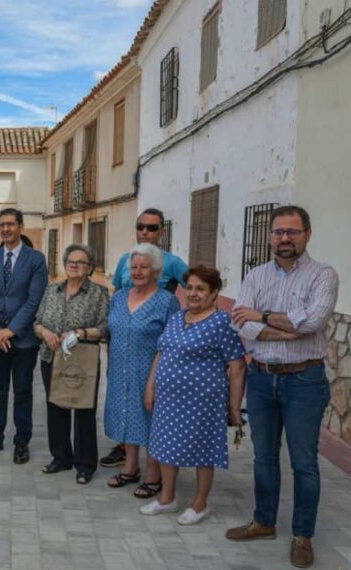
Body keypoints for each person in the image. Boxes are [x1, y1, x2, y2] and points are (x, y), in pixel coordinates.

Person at [226, 205, 338, 569]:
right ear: (270, 235)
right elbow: (241, 325)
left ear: (307, 234)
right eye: (278, 232)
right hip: (261, 377)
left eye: (292, 232)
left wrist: (261, 317)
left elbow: (316, 321)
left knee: (304, 462)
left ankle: (302, 535)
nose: (285, 238)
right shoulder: (255, 276)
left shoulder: (323, 275)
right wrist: (288, 325)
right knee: (263, 457)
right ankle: (264, 521)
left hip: (304, 379)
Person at [139, 266, 246, 525]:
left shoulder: (221, 322)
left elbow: (237, 365)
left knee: (204, 450)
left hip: (203, 402)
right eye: (190, 287)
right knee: (164, 445)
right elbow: (161, 352)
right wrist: (151, 385)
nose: (194, 293)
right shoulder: (178, 317)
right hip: (168, 399)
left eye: (201, 289)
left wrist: (234, 407)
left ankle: (200, 504)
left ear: (213, 294)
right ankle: (167, 498)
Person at [102, 207, 189, 469]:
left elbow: (196, 288)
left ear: (161, 232)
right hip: (124, 332)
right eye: (141, 227)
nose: (145, 232)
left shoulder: (172, 262)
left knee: (149, 401)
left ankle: (154, 467)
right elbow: (118, 289)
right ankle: (126, 453)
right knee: (124, 396)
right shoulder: (125, 259)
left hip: (151, 337)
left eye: (151, 228)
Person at [0, 208, 48, 464]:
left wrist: (12, 329)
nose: (5, 229)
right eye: (2, 225)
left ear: (21, 226)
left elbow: (34, 299)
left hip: (24, 339)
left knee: (23, 391)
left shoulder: (36, 259)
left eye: (10, 224)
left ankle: (21, 440)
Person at [105, 243, 180, 497]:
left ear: (155, 271)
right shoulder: (118, 298)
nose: (137, 271)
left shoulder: (166, 301)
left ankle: (153, 474)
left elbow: (171, 342)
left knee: (151, 421)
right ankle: (130, 467)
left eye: (144, 267)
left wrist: (157, 380)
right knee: (126, 416)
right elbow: (108, 331)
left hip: (150, 372)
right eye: (134, 267)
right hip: (119, 370)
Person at [33, 244, 109, 484]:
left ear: (89, 268)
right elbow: (37, 321)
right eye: (70, 261)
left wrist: (81, 333)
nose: (74, 265)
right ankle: (61, 457)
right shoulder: (52, 290)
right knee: (56, 407)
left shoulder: (99, 293)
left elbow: (106, 327)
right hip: (51, 357)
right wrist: (45, 333)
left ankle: (85, 464)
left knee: (84, 410)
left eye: (81, 262)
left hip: (82, 360)